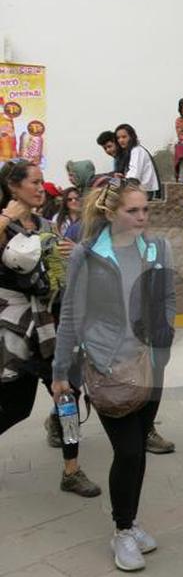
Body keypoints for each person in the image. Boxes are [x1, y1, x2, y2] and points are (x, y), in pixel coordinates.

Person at [51, 177, 176, 572]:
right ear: (110, 213)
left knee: (138, 450)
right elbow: (71, 313)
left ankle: (132, 520)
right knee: (129, 451)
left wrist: (163, 342)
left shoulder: (159, 247)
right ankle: (122, 530)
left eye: (145, 209)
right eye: (133, 210)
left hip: (150, 364)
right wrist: (60, 372)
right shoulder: (86, 254)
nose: (142, 217)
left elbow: (169, 296)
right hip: (106, 366)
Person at [0, 160, 101, 497]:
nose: (41, 187)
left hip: (52, 323)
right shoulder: (4, 222)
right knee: (17, 406)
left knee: (68, 394)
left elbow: (60, 269)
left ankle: (71, 470)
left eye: (43, 181)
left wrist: (72, 254)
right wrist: (6, 219)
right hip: (16, 330)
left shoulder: (47, 224)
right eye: (34, 182)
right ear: (13, 187)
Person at [115, 124, 161, 199]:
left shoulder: (137, 150)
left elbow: (133, 176)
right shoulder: (126, 154)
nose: (121, 140)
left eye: (124, 137)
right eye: (118, 138)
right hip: (137, 189)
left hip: (147, 192)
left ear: (131, 137)